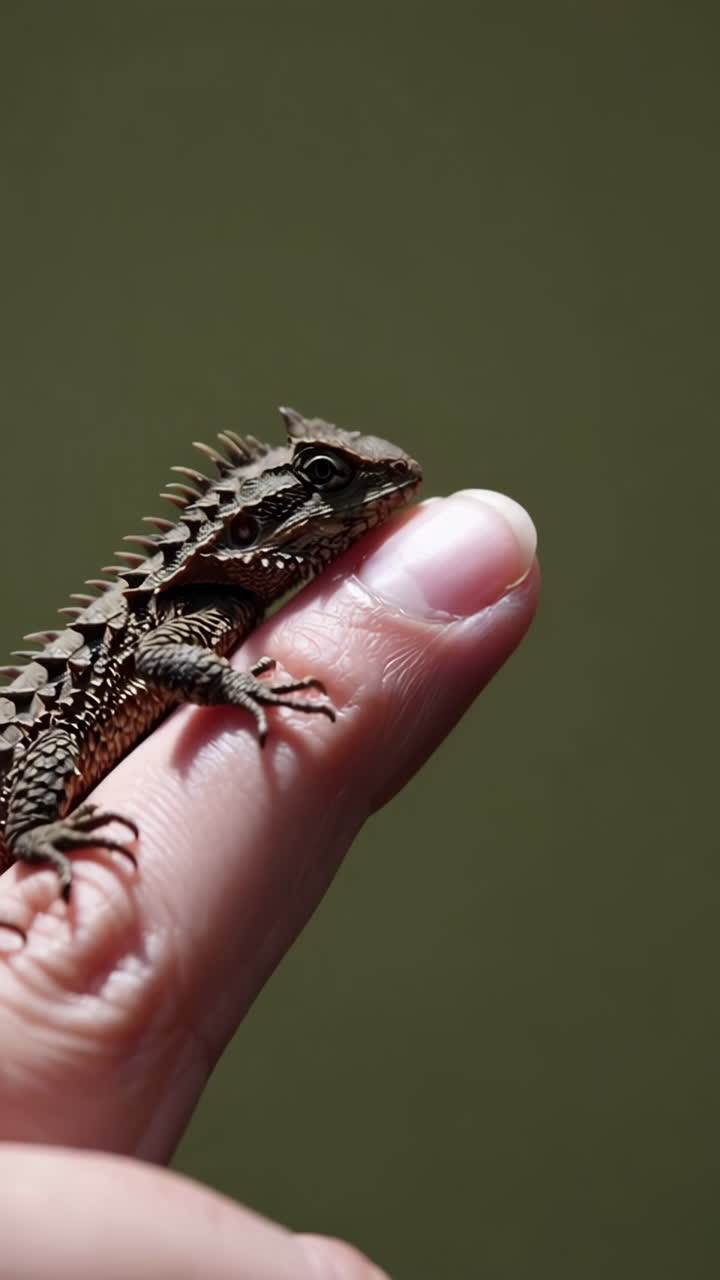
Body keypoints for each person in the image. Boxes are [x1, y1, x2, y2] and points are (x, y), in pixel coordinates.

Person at [0, 489, 538, 1279]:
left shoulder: (212, 601)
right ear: (249, 527)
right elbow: (156, 661)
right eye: (327, 477)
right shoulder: (203, 609)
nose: (377, 487)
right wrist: (242, 688)